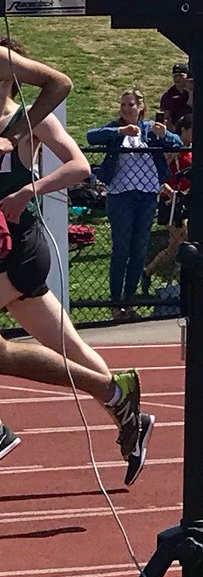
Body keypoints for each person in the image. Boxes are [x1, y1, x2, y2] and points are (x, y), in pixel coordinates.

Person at [0, 37, 153, 483]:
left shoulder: (26, 120)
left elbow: (80, 166)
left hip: (19, 247)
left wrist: (29, 189)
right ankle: (126, 408)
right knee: (73, 351)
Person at [87, 89, 184, 320]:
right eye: (123, 105)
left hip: (147, 194)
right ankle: (116, 302)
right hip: (121, 195)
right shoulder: (116, 128)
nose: (126, 109)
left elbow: (178, 142)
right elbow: (92, 136)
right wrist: (120, 131)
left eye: (131, 104)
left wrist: (164, 134)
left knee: (139, 249)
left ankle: (130, 301)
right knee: (121, 248)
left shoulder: (149, 129)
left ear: (141, 107)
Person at [142, 114, 193, 292]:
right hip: (172, 199)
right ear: (184, 130)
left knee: (177, 246)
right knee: (179, 242)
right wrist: (170, 192)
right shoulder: (174, 149)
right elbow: (159, 174)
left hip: (188, 198)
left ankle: (149, 272)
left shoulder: (193, 149)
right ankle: (156, 273)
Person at [158, 62, 193, 132]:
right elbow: (166, 117)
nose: (178, 78)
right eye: (175, 76)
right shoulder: (168, 95)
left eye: (181, 75)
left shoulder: (193, 92)